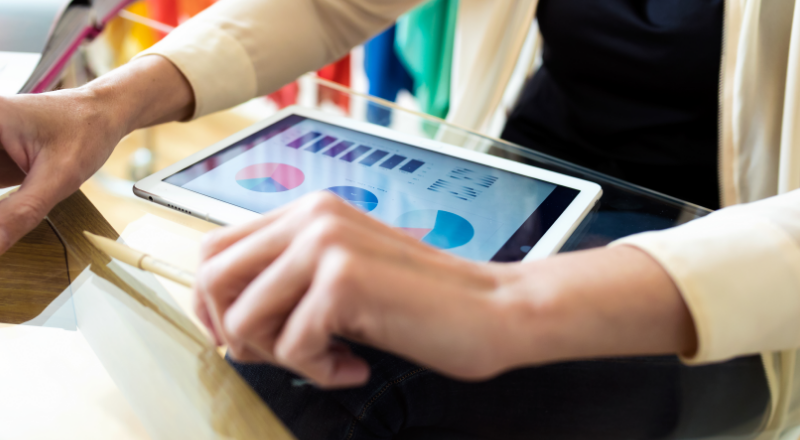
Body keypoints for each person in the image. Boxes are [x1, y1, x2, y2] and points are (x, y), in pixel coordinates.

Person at [1, 0, 800, 438]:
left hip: (732, 281)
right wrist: (104, 105)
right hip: (516, 177)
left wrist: (506, 308)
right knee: (243, 326)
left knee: (327, 379)